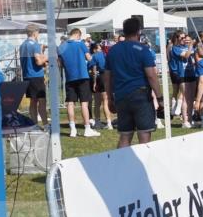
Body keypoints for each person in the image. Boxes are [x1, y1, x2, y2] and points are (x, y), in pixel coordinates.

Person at [104, 17, 162, 148]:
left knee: (125, 134)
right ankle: (143, 165)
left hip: (121, 96)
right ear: (138, 32)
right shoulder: (142, 50)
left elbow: (107, 78)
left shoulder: (113, 51)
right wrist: (159, 97)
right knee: (144, 134)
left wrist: (109, 98)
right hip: (140, 94)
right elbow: (151, 75)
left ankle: (121, 164)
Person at [58, 28, 98, 137]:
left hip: (70, 78)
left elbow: (59, 64)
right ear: (77, 35)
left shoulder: (61, 46)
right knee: (84, 103)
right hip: (82, 76)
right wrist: (95, 60)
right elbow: (89, 58)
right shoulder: (80, 44)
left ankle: (73, 129)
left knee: (70, 103)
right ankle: (87, 129)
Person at [19, 24, 49, 128]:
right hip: (36, 76)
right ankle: (45, 124)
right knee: (42, 101)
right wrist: (46, 58)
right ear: (35, 33)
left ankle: (34, 124)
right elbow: (38, 61)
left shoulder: (22, 45)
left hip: (27, 76)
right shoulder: (35, 45)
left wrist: (41, 52)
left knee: (33, 101)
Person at [88, 42, 113, 130]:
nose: (100, 49)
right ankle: (109, 123)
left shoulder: (94, 56)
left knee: (97, 102)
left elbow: (94, 70)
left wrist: (94, 82)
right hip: (106, 77)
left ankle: (97, 122)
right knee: (105, 101)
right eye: (99, 48)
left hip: (99, 78)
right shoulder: (105, 55)